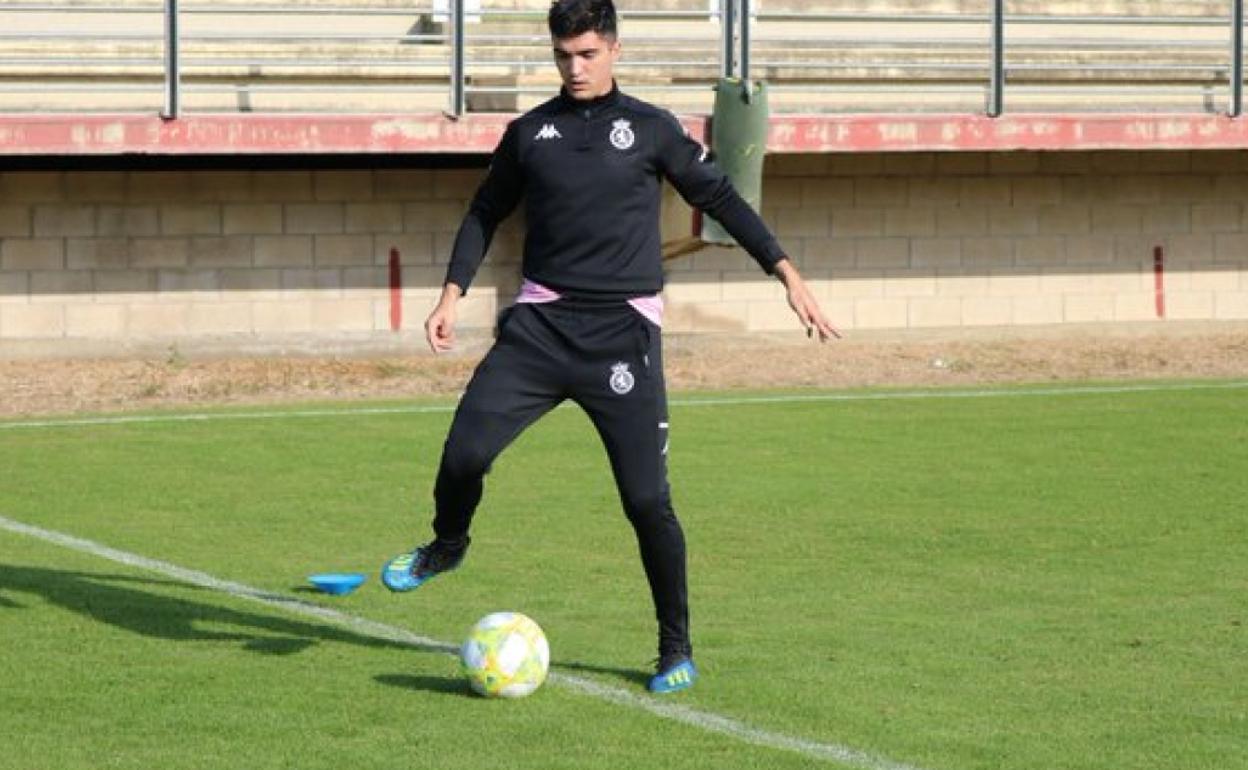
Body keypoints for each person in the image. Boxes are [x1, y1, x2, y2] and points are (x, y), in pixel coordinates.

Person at [381, 0, 839, 694]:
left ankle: (675, 649)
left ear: (615, 50)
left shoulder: (652, 129)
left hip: (622, 338)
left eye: (588, 54)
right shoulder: (530, 133)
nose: (575, 68)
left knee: (647, 502)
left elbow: (720, 198)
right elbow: (485, 210)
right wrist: (451, 294)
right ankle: (447, 545)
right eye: (564, 55)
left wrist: (787, 274)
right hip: (538, 332)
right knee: (464, 455)